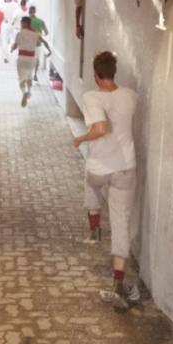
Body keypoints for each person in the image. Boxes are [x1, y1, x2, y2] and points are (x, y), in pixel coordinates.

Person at [71, 52, 139, 310]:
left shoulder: (92, 96)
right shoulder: (131, 95)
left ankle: (94, 228)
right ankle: (118, 284)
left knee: (90, 182)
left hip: (101, 168)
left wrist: (81, 139)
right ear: (114, 72)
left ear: (96, 75)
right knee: (121, 221)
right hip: (124, 169)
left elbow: (100, 128)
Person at [11, 16, 51, 107]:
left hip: (21, 58)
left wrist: (12, 49)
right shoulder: (36, 33)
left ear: (25, 23)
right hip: (31, 59)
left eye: (21, 22)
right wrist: (49, 51)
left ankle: (24, 92)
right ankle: (29, 91)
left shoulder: (19, 33)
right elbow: (45, 42)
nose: (20, 24)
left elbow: (15, 45)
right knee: (29, 77)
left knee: (21, 78)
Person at [28, 6, 49, 80]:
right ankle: (35, 74)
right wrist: (41, 34)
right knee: (37, 59)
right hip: (38, 43)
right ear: (35, 11)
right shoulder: (41, 21)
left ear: (29, 11)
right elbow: (46, 32)